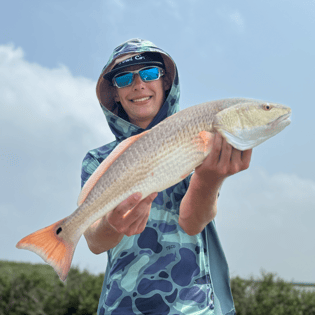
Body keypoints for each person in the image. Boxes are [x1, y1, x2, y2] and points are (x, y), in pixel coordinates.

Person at [81, 38, 252, 315]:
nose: (139, 85)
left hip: (192, 307)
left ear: (165, 82)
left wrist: (209, 179)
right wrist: (113, 224)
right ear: (114, 93)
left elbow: (192, 222)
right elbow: (94, 241)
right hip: (122, 307)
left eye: (149, 73)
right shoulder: (98, 161)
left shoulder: (196, 139)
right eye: (124, 79)